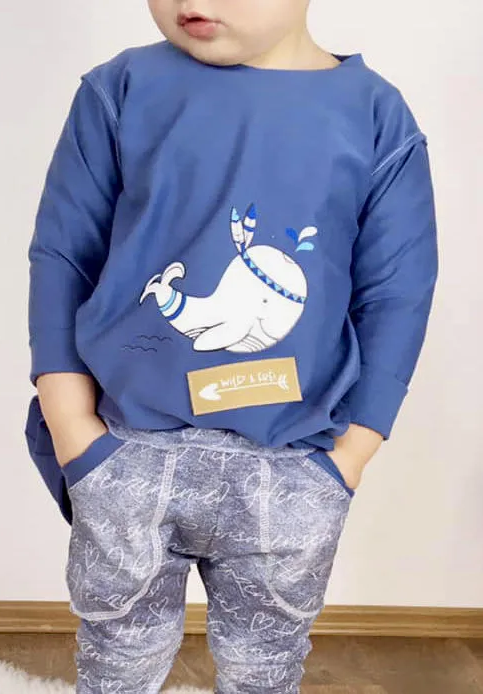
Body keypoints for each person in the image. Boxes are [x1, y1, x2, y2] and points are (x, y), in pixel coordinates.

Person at [25, 1, 438, 691]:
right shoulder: (121, 89)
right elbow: (64, 256)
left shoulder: (375, 115)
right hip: (127, 445)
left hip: (294, 462)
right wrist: (74, 433)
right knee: (115, 666)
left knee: (265, 670)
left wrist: (350, 457)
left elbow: (397, 294)